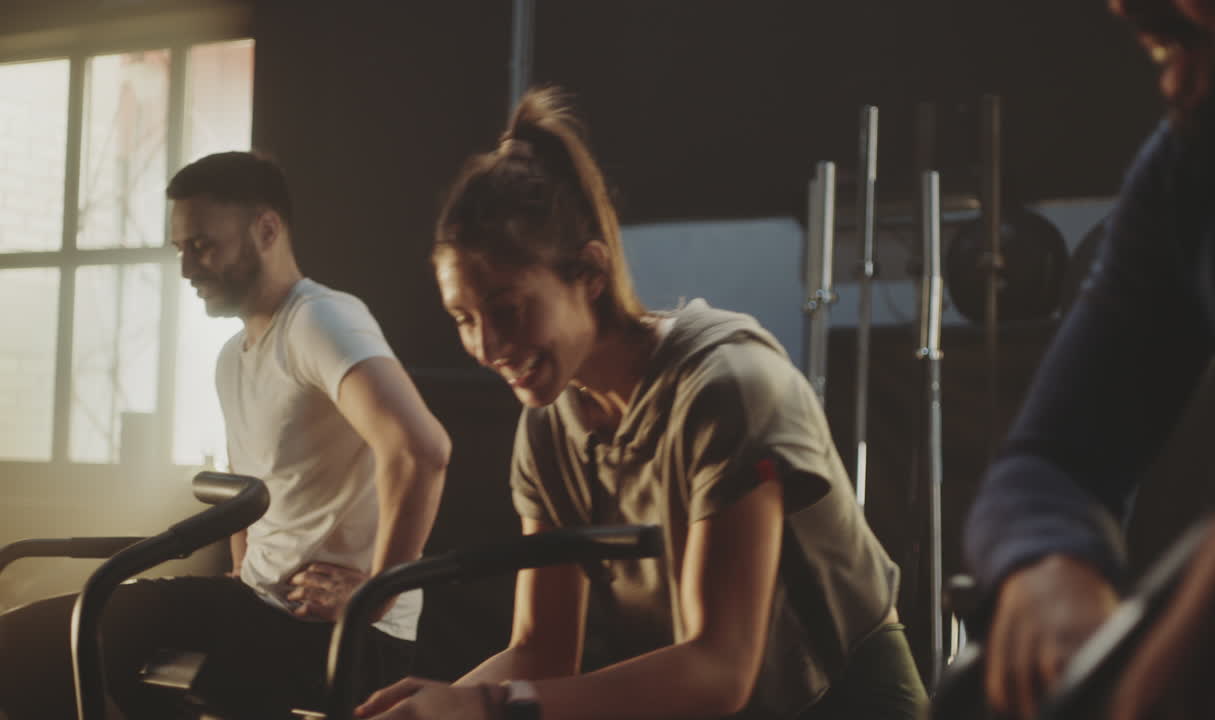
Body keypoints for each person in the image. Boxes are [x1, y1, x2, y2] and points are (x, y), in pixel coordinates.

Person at [354, 87, 928, 720]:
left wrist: (483, 709)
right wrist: (436, 707)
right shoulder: (549, 429)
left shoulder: (728, 389)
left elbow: (719, 669)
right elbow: (542, 653)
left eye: (507, 308)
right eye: (463, 319)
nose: (487, 345)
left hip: (844, 700)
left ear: (591, 275)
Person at [0, 152, 452, 719]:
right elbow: (252, 493)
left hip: (337, 637)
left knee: (55, 637)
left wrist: (374, 596)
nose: (188, 268)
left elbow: (421, 450)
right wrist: (244, 568)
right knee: (33, 647)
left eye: (203, 246)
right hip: (255, 605)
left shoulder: (321, 320)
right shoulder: (231, 360)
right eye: (180, 250)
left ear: (266, 230)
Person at [963, 1, 1215, 719]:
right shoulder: (1196, 165)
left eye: (1193, 37)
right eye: (1166, 49)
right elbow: (1049, 459)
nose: (1173, 84)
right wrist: (1048, 561)